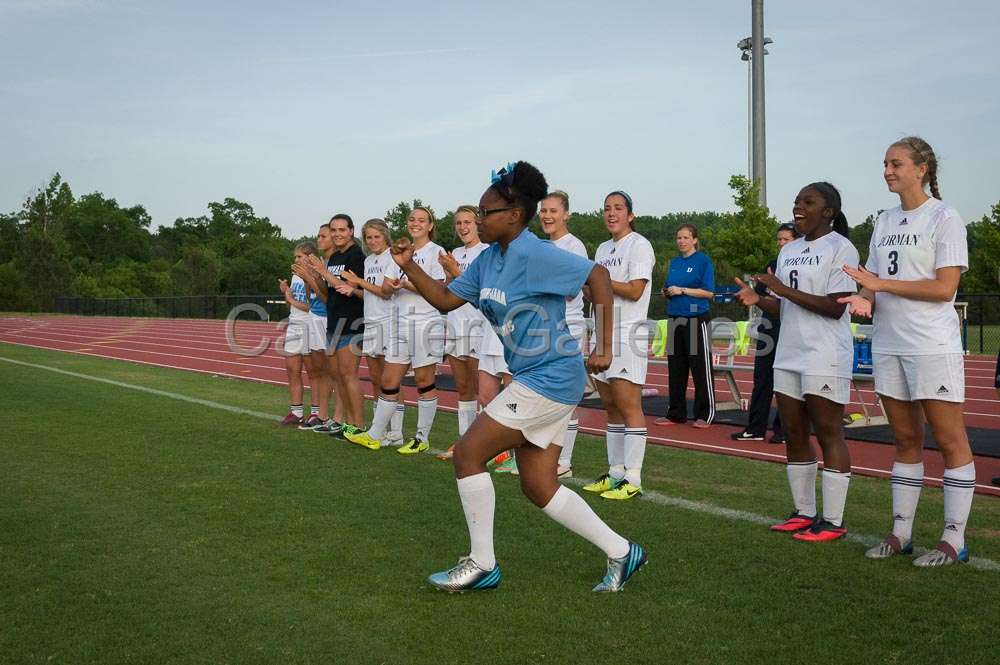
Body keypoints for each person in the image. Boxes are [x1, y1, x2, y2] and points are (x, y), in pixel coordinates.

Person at [383, 160, 646, 592]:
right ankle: (622, 551)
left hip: (550, 375)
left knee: (468, 453)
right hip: (537, 376)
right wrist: (409, 265)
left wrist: (603, 345)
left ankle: (482, 563)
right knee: (539, 485)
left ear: (515, 216)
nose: (480, 220)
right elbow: (447, 299)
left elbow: (597, 276)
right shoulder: (490, 259)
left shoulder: (533, 253)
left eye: (487, 213)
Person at [840, 137, 976, 566]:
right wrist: (865, 297)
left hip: (931, 345)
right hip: (889, 343)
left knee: (950, 439)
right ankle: (901, 533)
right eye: (884, 164)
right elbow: (873, 278)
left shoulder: (945, 217)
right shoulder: (883, 220)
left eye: (896, 163)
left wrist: (880, 286)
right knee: (904, 438)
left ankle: (954, 539)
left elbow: (944, 288)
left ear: (921, 169)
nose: (887, 171)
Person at [736, 182, 858, 542]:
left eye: (808, 202)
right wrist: (757, 300)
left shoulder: (842, 248)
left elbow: (836, 307)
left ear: (829, 211)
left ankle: (833, 521)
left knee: (828, 431)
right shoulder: (790, 252)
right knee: (793, 430)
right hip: (788, 352)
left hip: (825, 354)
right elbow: (784, 307)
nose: (798, 207)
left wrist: (780, 288)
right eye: (796, 202)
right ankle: (803, 512)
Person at [345, 206, 446, 454]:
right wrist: (391, 286)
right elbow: (386, 290)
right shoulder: (398, 252)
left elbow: (438, 289)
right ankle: (375, 434)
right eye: (412, 219)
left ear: (430, 225)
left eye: (422, 220)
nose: (416, 223)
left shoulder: (436, 252)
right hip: (399, 323)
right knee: (388, 381)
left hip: (425, 322)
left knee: (424, 381)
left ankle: (422, 438)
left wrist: (407, 284)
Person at [581, 191, 654, 501]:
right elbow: (598, 294)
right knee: (610, 406)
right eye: (607, 209)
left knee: (628, 406)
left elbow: (636, 290)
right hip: (604, 333)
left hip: (628, 334)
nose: (611, 213)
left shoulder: (639, 245)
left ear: (630, 215)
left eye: (618, 208)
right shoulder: (602, 248)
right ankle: (615, 473)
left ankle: (633, 478)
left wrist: (598, 282)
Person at [731, 223, 799, 443]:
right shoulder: (772, 265)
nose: (781, 244)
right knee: (762, 378)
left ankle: (784, 430)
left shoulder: (802, 266)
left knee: (786, 381)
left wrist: (778, 293)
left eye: (785, 239)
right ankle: (755, 428)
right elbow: (760, 296)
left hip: (791, 328)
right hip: (768, 328)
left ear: (796, 241)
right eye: (779, 239)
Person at [340, 219, 405, 447]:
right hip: (371, 322)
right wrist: (355, 289)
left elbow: (386, 293)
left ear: (385, 236)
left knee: (391, 379)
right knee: (377, 379)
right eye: (369, 237)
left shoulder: (392, 257)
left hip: (390, 322)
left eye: (377, 236)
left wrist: (357, 281)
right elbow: (370, 293)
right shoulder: (369, 260)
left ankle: (396, 432)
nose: (373, 241)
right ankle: (380, 430)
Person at [540, 190, 588, 478]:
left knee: (566, 396)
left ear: (566, 214)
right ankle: (548, 457)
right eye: (543, 210)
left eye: (553, 211)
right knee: (547, 395)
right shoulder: (543, 247)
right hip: (546, 327)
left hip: (568, 328)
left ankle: (564, 462)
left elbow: (571, 291)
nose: (547, 216)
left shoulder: (574, 247)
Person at [437, 205, 489, 459]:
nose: (463, 227)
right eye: (458, 223)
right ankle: (465, 442)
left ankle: (486, 444)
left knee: (484, 390)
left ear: (478, 223)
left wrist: (456, 272)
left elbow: (483, 290)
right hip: (456, 325)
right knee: (463, 388)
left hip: (479, 327)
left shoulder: (488, 252)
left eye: (467, 222)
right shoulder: (454, 253)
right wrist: (448, 274)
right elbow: (449, 290)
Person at [309, 214, 367, 439]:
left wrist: (323, 273)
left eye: (342, 230)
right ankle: (345, 423)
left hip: (352, 322)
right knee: (338, 375)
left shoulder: (356, 256)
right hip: (333, 322)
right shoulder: (333, 258)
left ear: (351, 231)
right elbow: (327, 295)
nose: (337, 234)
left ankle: (357, 425)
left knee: (349, 374)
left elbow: (348, 287)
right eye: (333, 230)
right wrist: (314, 277)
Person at [657, 224, 716, 428]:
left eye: (685, 237)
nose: (681, 241)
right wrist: (666, 292)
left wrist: (682, 290)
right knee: (676, 369)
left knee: (700, 368)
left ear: (694, 240)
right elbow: (668, 287)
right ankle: (676, 413)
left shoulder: (703, 261)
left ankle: (704, 414)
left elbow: (709, 293)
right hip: (675, 319)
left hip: (696, 318)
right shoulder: (674, 263)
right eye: (678, 238)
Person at [294, 224, 338, 432]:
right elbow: (313, 298)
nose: (319, 239)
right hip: (315, 316)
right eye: (318, 236)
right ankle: (320, 414)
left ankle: (332, 417)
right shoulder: (322, 261)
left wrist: (312, 276)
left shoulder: (333, 263)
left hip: (327, 318)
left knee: (332, 371)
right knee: (319, 370)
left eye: (323, 236)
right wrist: (307, 279)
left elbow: (327, 297)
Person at [278, 242, 320, 426]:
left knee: (314, 372)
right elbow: (292, 305)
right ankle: (296, 411)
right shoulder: (295, 276)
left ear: (310, 257)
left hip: (309, 325)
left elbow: (311, 307)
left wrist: (290, 298)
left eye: (300, 256)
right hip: (294, 325)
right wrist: (286, 293)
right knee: (292, 370)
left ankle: (316, 412)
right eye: (295, 256)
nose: (296, 260)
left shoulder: (316, 275)